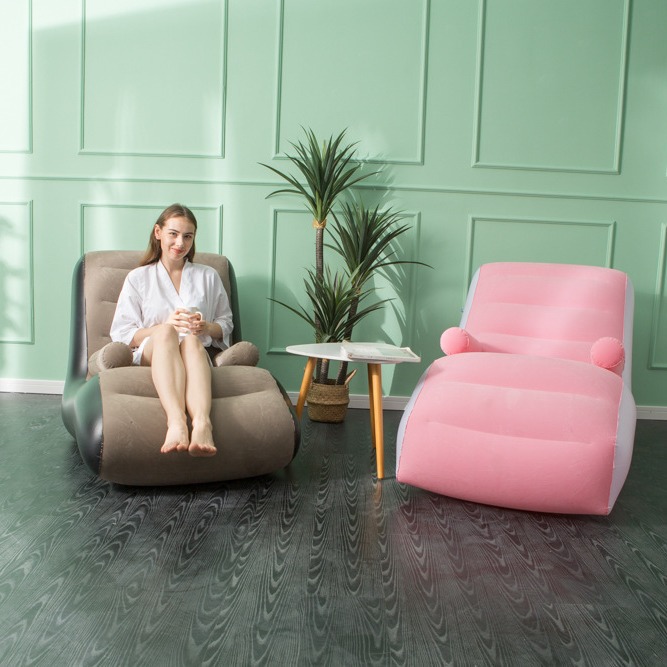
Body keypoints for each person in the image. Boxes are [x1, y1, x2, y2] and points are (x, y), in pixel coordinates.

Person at [110, 204, 233, 457]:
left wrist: (206, 326)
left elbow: (226, 323)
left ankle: (202, 424)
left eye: (188, 236)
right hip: (153, 351)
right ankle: (176, 423)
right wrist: (164, 326)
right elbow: (123, 334)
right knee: (166, 333)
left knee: (192, 341)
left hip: (194, 350)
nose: (180, 243)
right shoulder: (138, 278)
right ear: (158, 232)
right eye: (173, 234)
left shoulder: (208, 276)